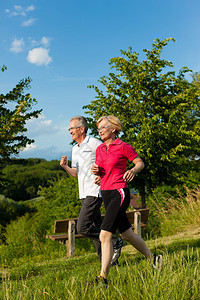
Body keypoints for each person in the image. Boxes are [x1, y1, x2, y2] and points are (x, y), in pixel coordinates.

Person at [91, 115, 162, 286]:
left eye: (103, 127)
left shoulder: (123, 146)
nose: (100, 131)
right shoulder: (100, 149)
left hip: (119, 192)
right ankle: (154, 259)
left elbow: (140, 163)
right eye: (98, 128)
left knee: (105, 234)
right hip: (105, 192)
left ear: (113, 129)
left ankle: (103, 278)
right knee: (126, 234)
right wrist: (97, 174)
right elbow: (103, 171)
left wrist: (133, 170)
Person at [60, 115, 123, 263]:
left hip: (95, 191)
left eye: (72, 128)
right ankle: (108, 262)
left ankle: (114, 241)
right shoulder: (75, 148)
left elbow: (109, 160)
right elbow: (75, 174)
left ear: (81, 129)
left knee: (83, 227)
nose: (69, 132)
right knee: (96, 226)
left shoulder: (94, 143)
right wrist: (65, 167)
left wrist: (102, 176)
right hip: (83, 193)